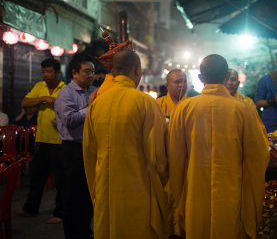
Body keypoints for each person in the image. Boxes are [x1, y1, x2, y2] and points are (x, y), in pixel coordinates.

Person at [168, 54, 269, 239]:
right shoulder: (244, 110)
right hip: (231, 193)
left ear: (200, 78)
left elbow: (175, 159)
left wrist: (177, 197)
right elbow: (259, 156)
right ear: (225, 77)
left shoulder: (184, 109)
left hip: (195, 193)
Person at [83, 49, 169, 239]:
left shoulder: (97, 103)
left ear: (113, 72)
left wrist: (96, 187)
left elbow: (89, 152)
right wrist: (163, 187)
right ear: (137, 70)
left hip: (105, 188)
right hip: (137, 189)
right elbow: (158, 157)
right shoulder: (145, 103)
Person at [15, 58, 66, 224]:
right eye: (44, 71)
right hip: (42, 140)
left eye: (49, 71)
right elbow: (25, 102)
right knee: (36, 178)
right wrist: (44, 98)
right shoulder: (40, 87)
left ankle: (60, 213)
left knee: (61, 181)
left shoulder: (65, 89)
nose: (46, 75)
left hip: (60, 142)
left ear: (58, 73)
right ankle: (30, 209)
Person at [54, 53, 96, 239]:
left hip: (89, 148)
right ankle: (73, 234)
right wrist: (91, 108)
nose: (91, 75)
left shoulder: (94, 91)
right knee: (72, 196)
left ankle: (85, 232)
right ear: (74, 73)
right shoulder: (66, 94)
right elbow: (70, 119)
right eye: (87, 71)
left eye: (93, 71)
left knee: (88, 195)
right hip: (72, 150)